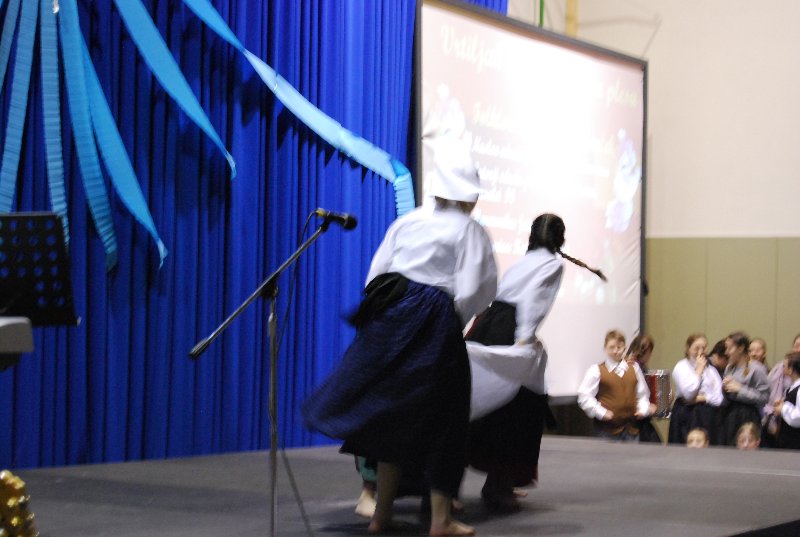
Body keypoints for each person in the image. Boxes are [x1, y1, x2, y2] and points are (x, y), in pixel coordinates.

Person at [303, 138, 497, 536]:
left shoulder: (409, 222)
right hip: (435, 315)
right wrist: (452, 317)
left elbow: (377, 273)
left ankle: (381, 514)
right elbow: (477, 288)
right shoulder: (469, 229)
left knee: (392, 414)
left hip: (391, 311)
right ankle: (441, 520)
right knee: (446, 418)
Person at [464, 213, 601, 510]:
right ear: (560, 238)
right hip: (510, 330)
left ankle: (470, 485)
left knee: (485, 403)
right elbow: (533, 301)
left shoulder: (524, 261)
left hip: (488, 326)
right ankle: (499, 485)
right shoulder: (552, 264)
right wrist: (525, 340)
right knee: (518, 409)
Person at [577, 330, 653, 441]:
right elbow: (584, 396)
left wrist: (643, 409)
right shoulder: (596, 370)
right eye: (611, 347)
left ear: (624, 348)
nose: (615, 351)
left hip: (632, 431)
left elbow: (643, 394)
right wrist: (601, 412)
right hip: (606, 432)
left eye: (619, 347)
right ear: (605, 348)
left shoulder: (634, 368)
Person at [668, 333, 723, 445]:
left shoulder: (711, 370)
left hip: (706, 414)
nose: (700, 352)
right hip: (686, 413)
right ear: (688, 349)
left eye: (704, 348)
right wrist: (699, 370)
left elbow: (719, 398)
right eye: (696, 348)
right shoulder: (681, 366)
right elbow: (689, 393)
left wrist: (703, 398)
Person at [718, 331, 769, 446]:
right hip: (730, 414)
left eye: (730, 348)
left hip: (748, 415)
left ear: (740, 348)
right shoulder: (729, 368)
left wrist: (740, 389)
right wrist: (724, 388)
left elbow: (764, 397)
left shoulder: (757, 369)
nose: (726, 352)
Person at [626, 334, 662, 443]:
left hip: (644, 417)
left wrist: (665, 396)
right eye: (649, 352)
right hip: (634, 420)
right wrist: (648, 407)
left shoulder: (644, 368)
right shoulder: (629, 366)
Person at [774, 352, 800, 450]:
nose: (782, 368)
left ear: (791, 370)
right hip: (787, 438)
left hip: (795, 440)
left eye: (784, 366)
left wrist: (783, 408)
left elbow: (798, 417)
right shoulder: (791, 388)